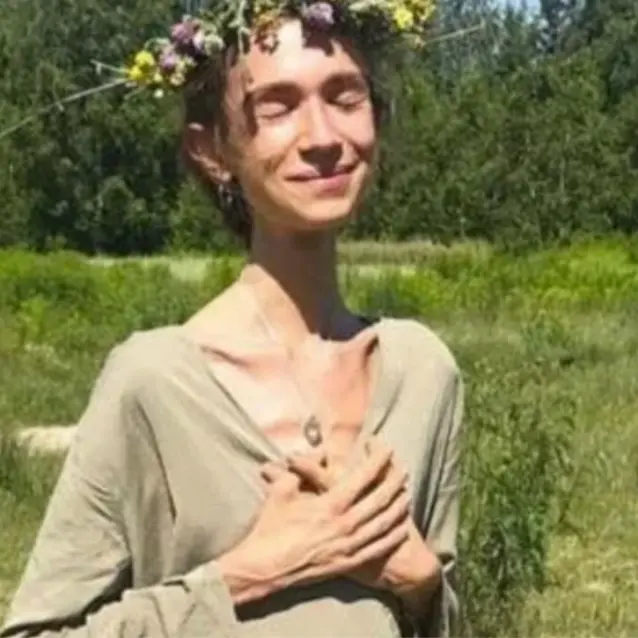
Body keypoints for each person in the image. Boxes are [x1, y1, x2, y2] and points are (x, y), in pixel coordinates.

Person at [0, 2, 465, 636]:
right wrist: (246, 575)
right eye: (277, 107)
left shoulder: (422, 374)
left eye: (345, 96)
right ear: (212, 150)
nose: (323, 136)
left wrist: (423, 585)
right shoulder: (154, 385)